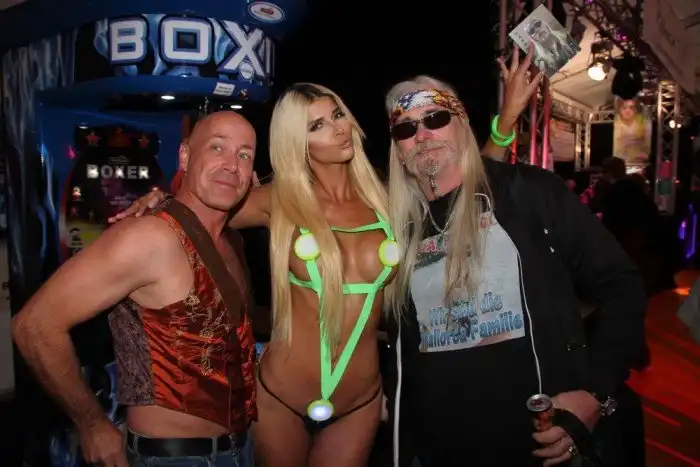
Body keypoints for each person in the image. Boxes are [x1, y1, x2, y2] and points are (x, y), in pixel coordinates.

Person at [111, 49, 540, 467]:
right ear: (298, 144)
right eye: (317, 125)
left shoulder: (387, 199)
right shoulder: (278, 200)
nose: (338, 129)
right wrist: (160, 201)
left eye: (337, 115)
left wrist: (505, 124)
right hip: (280, 399)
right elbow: (201, 208)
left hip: (359, 403)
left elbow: (461, 188)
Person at [383, 73, 647, 466]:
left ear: (461, 122)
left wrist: (595, 392)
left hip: (539, 445)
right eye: (406, 127)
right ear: (397, 146)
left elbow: (621, 285)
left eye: (435, 118)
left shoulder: (527, 192)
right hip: (439, 450)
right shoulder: (396, 228)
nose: (422, 135)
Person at [12, 111, 258, 467]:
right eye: (217, 147)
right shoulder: (147, 237)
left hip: (240, 448)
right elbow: (34, 325)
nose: (232, 165)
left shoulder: (230, 239)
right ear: (185, 156)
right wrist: (93, 424)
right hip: (173, 458)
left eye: (244, 155)